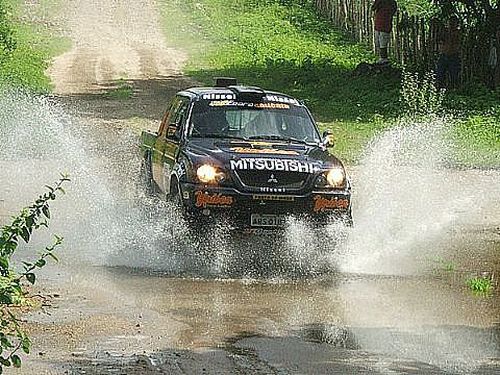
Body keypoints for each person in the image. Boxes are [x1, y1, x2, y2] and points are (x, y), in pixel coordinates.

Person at [436, 16, 461, 89]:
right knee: (440, 74)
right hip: (444, 55)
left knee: (454, 75)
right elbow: (439, 41)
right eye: (450, 23)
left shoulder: (458, 33)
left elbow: (458, 43)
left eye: (453, 23)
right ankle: (440, 90)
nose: (452, 25)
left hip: (454, 56)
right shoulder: (444, 32)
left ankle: (454, 90)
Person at [372, 0, 398, 65]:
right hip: (380, 23)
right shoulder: (392, 2)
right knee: (378, 41)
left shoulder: (392, 2)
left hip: (385, 24)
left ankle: (384, 59)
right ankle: (382, 58)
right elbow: (373, 8)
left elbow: (373, 7)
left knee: (382, 42)